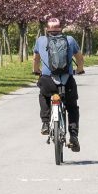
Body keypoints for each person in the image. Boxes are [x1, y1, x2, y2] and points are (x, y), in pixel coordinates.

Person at [33, 17, 86, 152]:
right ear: (61, 29)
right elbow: (79, 58)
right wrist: (80, 69)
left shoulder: (41, 40)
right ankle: (73, 136)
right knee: (72, 107)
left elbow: (36, 59)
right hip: (67, 81)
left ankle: (45, 123)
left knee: (43, 96)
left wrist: (36, 70)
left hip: (47, 80)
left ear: (47, 29)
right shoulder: (70, 40)